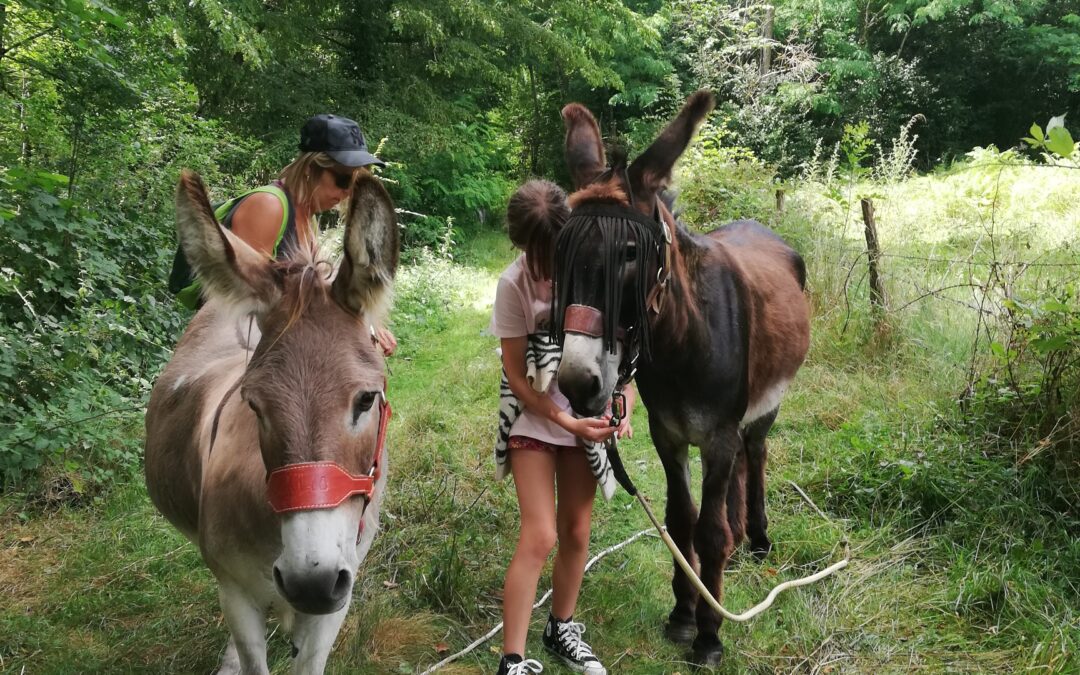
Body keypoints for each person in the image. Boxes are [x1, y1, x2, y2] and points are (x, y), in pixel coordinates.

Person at [490, 180, 636, 675]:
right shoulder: (514, 285)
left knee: (577, 528)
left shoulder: (592, 267)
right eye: (540, 249)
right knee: (541, 534)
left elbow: (623, 348)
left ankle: (561, 627)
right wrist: (561, 417)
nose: (551, 259)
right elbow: (514, 373)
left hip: (584, 421)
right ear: (521, 244)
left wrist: (623, 403)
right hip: (537, 417)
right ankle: (512, 659)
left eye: (559, 244)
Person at [171, 113, 397, 355]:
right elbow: (242, 304)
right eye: (343, 179)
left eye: (355, 182)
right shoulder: (269, 207)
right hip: (234, 349)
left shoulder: (305, 216)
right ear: (311, 168)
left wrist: (369, 322)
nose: (347, 192)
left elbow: (314, 296)